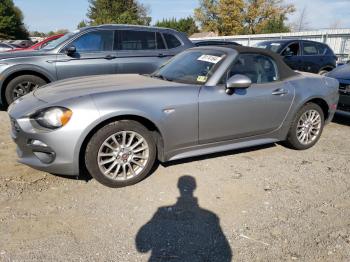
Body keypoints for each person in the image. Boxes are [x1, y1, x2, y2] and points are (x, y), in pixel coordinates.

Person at [136, 176, 232, 262]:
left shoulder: (162, 212)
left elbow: (142, 248)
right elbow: (225, 253)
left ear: (178, 187)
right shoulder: (210, 216)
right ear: (194, 187)